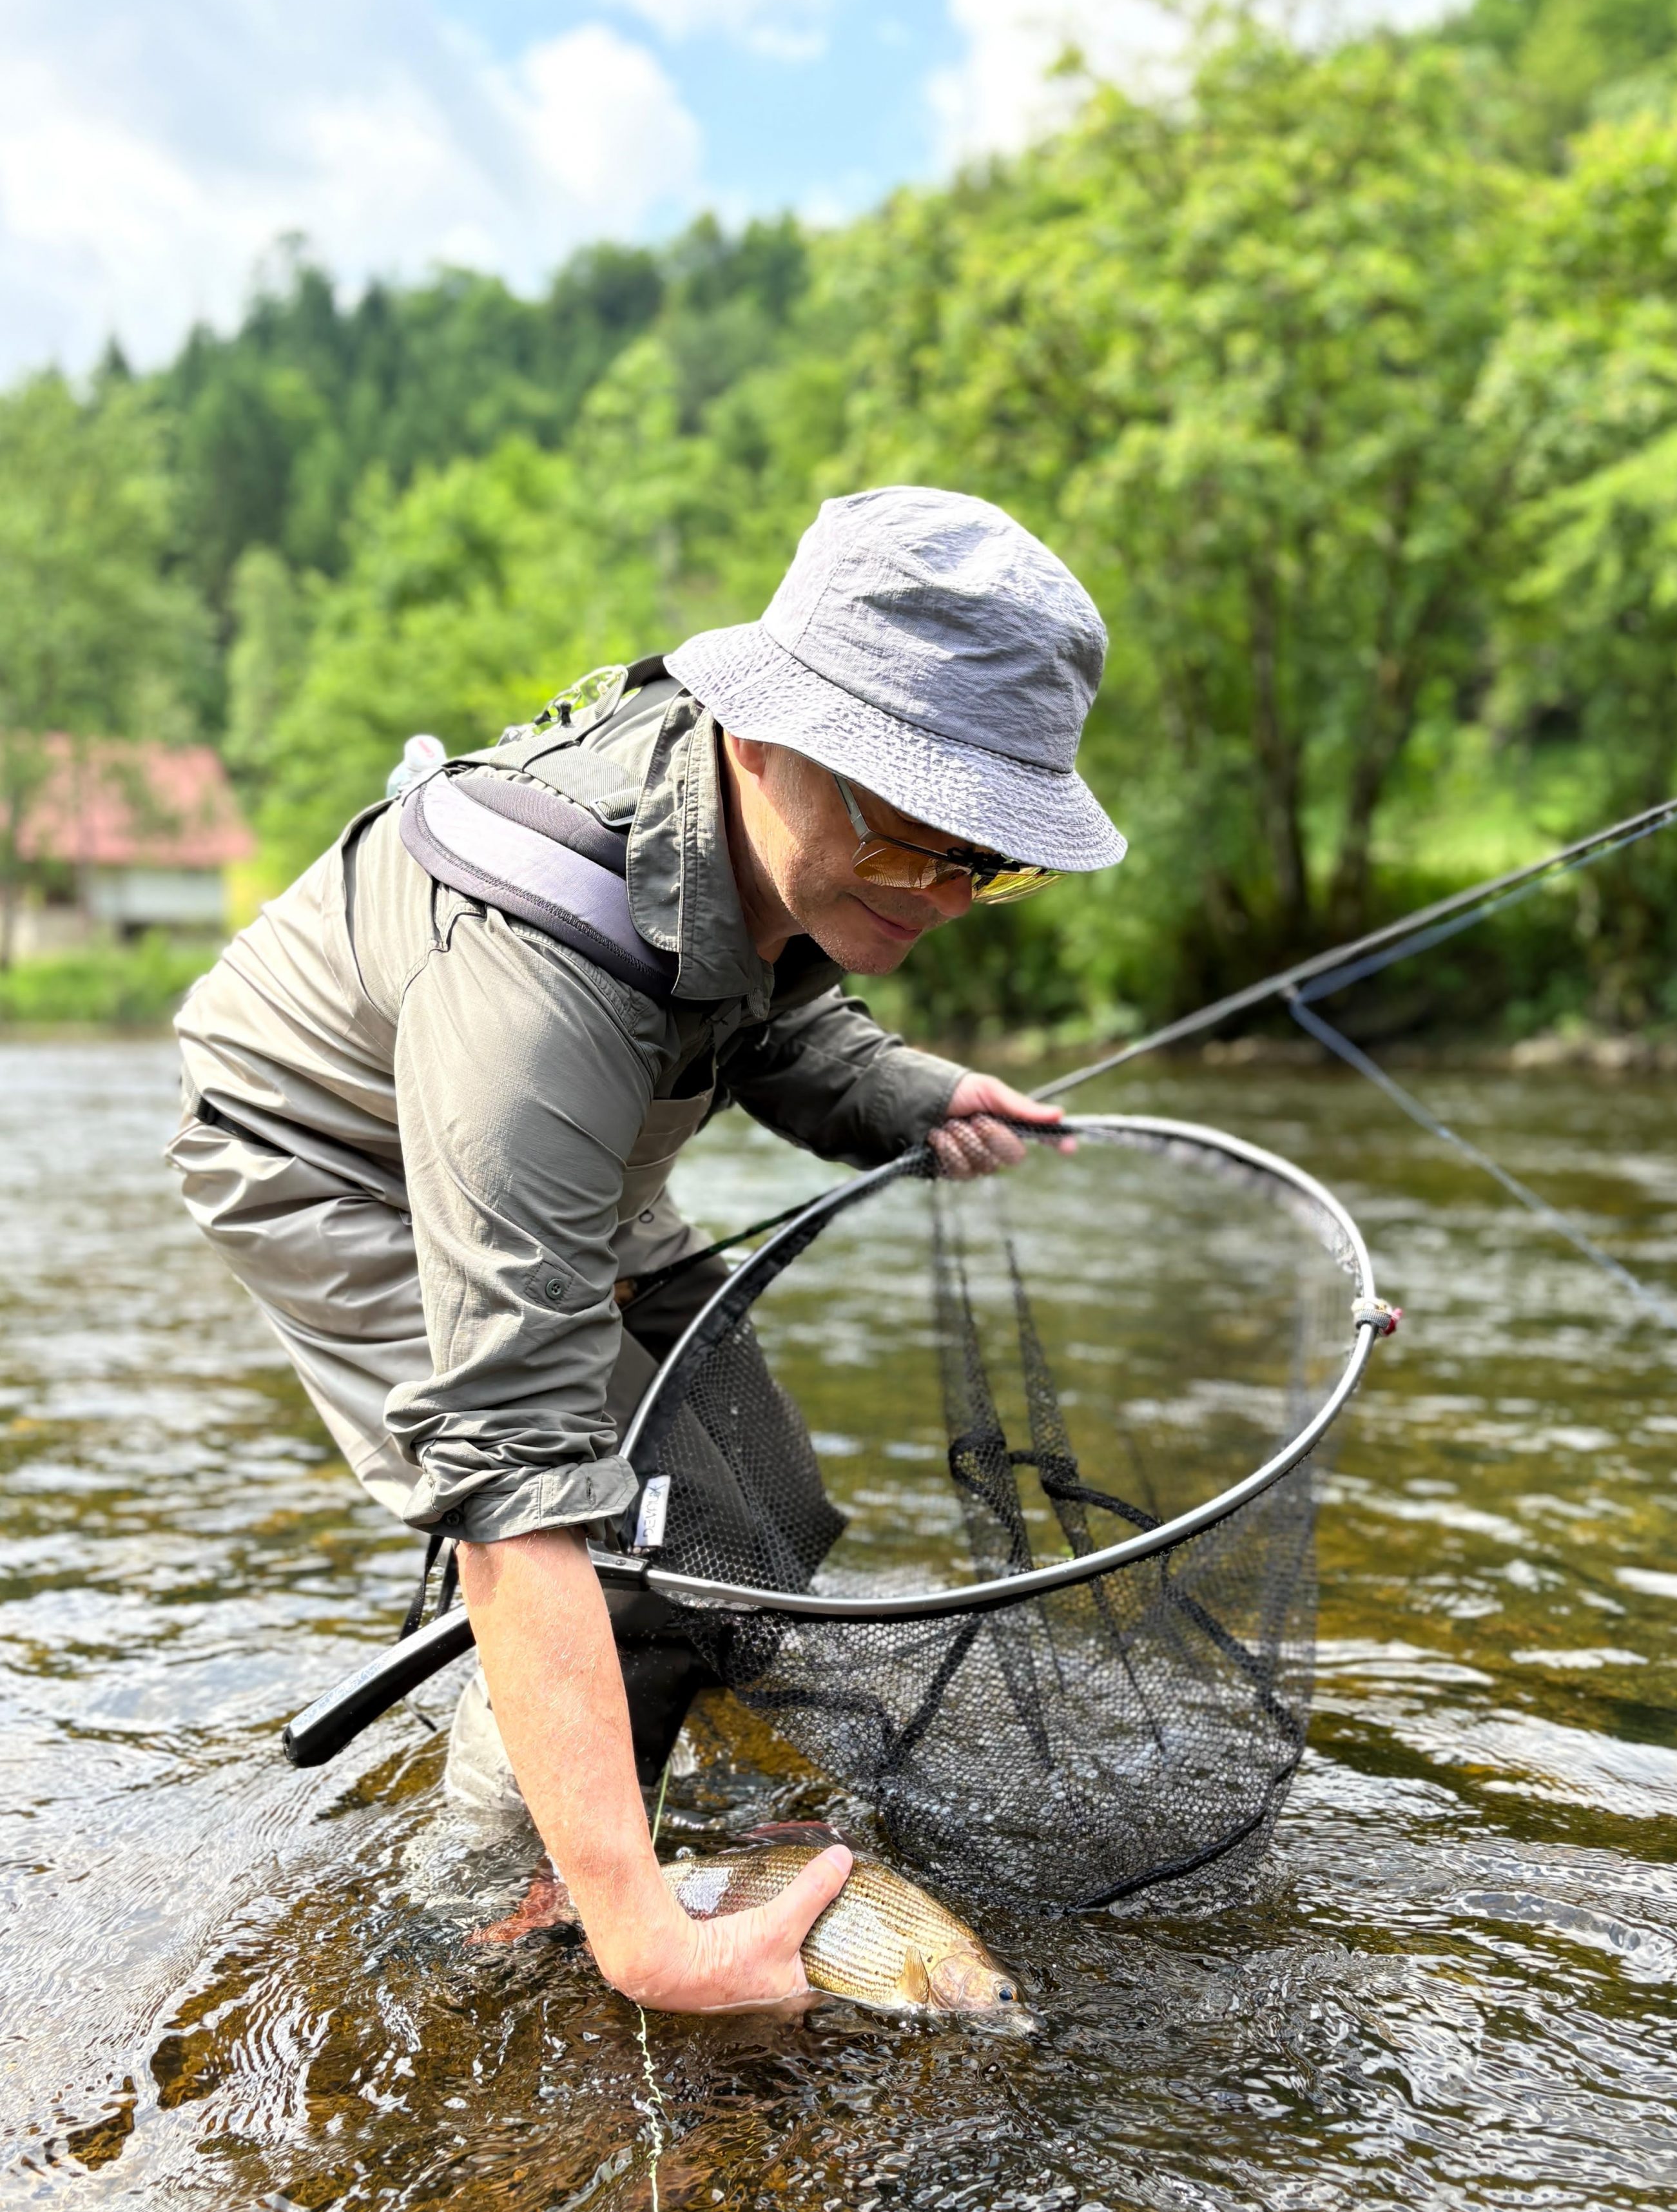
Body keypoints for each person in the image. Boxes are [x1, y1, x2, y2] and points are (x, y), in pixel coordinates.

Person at [168, 485, 1126, 2012]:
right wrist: (646, 1934)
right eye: (913, 841)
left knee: (756, 1510)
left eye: (991, 863)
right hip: (328, 1156)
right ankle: (486, 1917)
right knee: (606, 1535)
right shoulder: (538, 989)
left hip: (589, 1143)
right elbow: (515, 1469)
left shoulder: (781, 833)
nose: (945, 899)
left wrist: (910, 1094)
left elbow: (769, 1001)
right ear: (765, 735)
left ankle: (600, 1790)